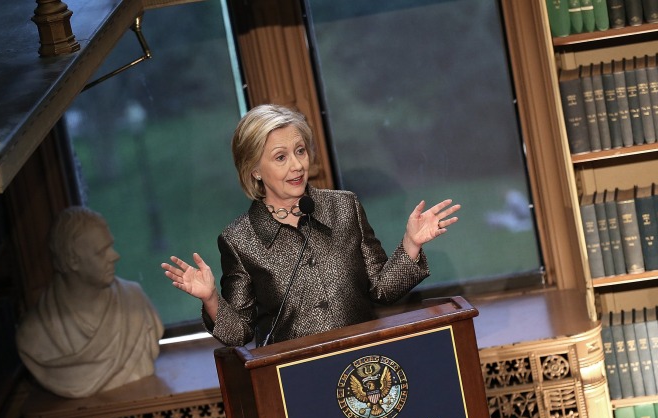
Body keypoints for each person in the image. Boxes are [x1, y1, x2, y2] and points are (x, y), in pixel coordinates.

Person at [162, 104, 459, 347]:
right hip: (295, 379)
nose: (297, 165)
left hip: (365, 364)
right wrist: (211, 299)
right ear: (254, 170)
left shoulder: (344, 207)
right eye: (281, 157)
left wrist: (411, 244)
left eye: (300, 151)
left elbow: (381, 289)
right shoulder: (239, 239)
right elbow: (239, 333)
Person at [16, 206, 164, 398]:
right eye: (101, 252)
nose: (115, 256)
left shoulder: (134, 300)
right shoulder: (34, 335)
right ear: (72, 261)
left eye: (110, 246)